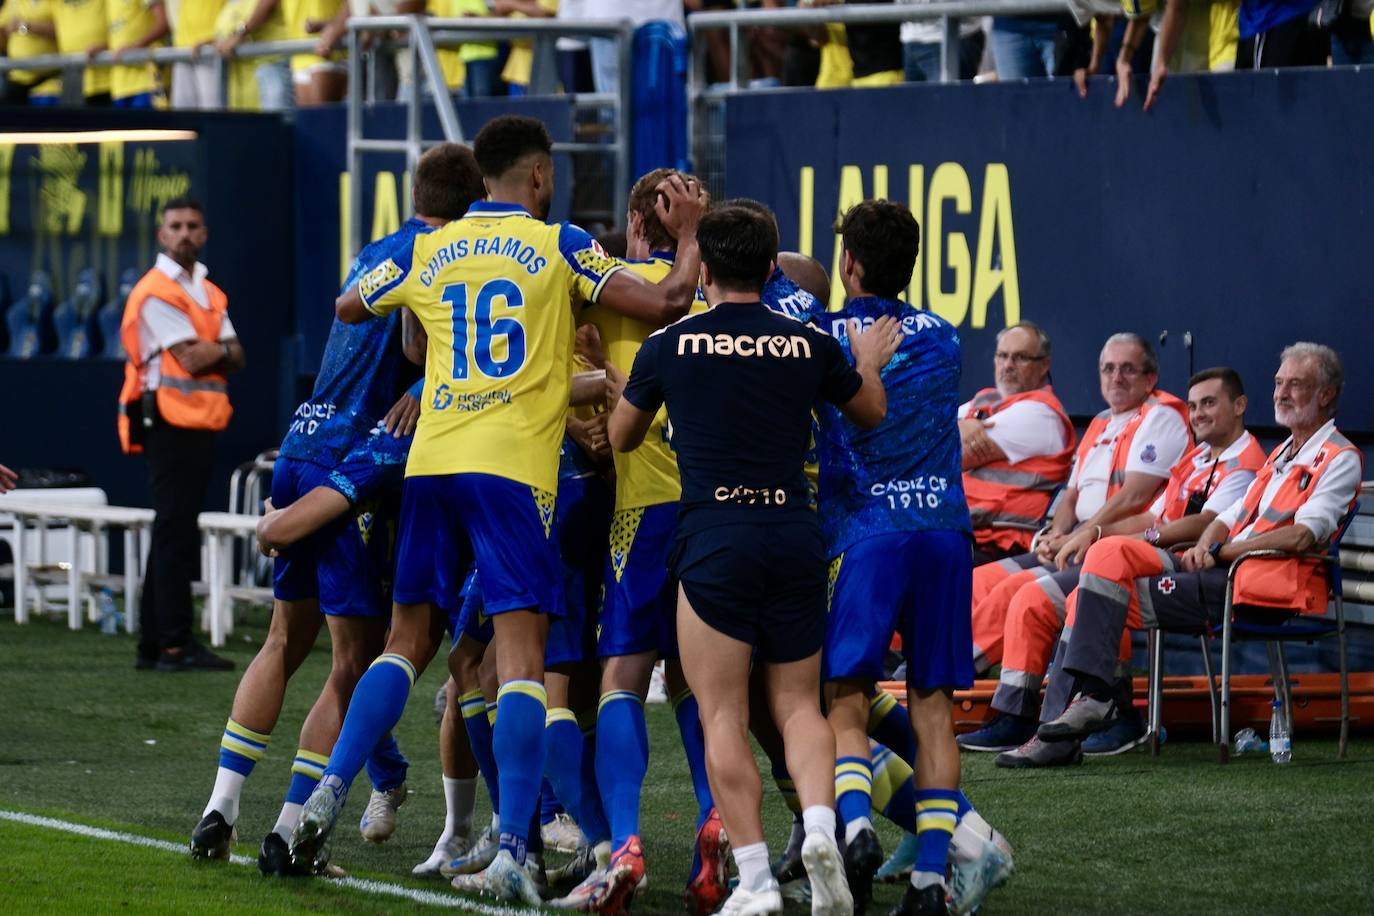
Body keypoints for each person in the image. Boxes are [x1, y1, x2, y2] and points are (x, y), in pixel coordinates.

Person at [289, 114, 707, 905]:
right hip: (512, 469)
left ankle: (324, 795)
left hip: (433, 461)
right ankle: (516, 843)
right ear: (541, 176)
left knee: (406, 643)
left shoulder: (429, 247)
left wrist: (425, 300)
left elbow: (350, 309)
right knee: (520, 662)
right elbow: (668, 304)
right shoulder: (560, 244)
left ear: (483, 177)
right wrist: (686, 233)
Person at [187, 145, 485, 872]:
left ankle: (218, 811)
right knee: (353, 660)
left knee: (283, 643)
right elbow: (422, 347)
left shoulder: (379, 248)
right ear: (473, 203)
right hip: (362, 455)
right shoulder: (449, 252)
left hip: (301, 439)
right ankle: (291, 832)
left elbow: (352, 316)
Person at [607, 202, 899, 916]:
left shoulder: (669, 345)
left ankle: (758, 877)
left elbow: (620, 436)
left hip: (715, 538)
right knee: (801, 706)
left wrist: (613, 384)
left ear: (703, 269)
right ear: (771, 269)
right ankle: (823, 827)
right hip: (794, 535)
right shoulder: (806, 342)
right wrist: (865, 361)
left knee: (723, 716)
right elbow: (870, 411)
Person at [1020, 343, 1362, 766]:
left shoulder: (1340, 457)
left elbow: (1304, 536)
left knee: (1098, 585)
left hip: (1251, 590)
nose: (1282, 392)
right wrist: (1208, 543)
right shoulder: (1282, 453)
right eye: (1279, 383)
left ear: (1326, 394)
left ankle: (1094, 705)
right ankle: (1066, 725)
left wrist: (1224, 549)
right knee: (1084, 598)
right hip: (1221, 572)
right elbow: (1231, 514)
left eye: (1296, 384)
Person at [550, 168, 726, 916]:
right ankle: (715, 818)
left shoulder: (607, 287)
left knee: (621, 674)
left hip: (644, 505)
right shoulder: (738, 290)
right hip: (724, 510)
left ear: (636, 220)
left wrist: (587, 382)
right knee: (699, 685)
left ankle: (621, 842)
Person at [812, 199, 992, 916]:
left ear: (849, 264)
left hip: (868, 530)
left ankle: (855, 822)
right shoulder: (945, 336)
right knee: (934, 710)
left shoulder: (825, 335)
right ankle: (931, 882)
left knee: (845, 698)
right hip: (946, 532)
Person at [968, 367, 1265, 762]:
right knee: (1035, 599)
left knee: (1106, 561)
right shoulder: (1194, 458)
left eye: (1209, 403)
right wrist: (1095, 532)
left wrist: (1116, 540)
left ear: (1240, 405)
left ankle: (1106, 702)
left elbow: (1204, 523)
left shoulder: (1247, 459)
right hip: (1146, 556)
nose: (1198, 414)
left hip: (1188, 565)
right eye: (1193, 405)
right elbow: (1150, 516)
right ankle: (1026, 718)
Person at [967, 333, 1189, 687]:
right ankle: (950, 669)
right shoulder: (1101, 421)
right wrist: (1056, 534)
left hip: (1120, 544)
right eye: (1109, 369)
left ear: (1150, 379)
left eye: (1128, 370)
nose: (1116, 377)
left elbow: (1134, 496)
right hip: (1077, 540)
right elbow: (1070, 495)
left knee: (1021, 589)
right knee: (980, 581)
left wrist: (1078, 535)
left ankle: (958, 670)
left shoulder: (1161, 416)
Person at [117, 197, 244, 672]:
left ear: (204, 234)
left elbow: (237, 354)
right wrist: (219, 349)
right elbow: (195, 357)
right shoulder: (155, 290)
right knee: (174, 530)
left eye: (193, 225)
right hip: (168, 419)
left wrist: (217, 350)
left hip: (199, 419)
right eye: (176, 226)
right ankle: (173, 643)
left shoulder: (206, 291)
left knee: (174, 529)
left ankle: (156, 644)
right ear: (161, 234)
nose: (185, 233)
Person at [958, 321, 1075, 566]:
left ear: (1044, 365)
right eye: (1002, 356)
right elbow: (925, 437)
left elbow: (945, 453)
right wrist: (960, 428)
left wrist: (956, 427)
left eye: (1020, 358)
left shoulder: (1042, 414)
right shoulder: (985, 398)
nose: (1008, 365)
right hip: (961, 532)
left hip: (1000, 542)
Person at [103, 0, 170, 108]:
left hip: (148, 80)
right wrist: (102, 46)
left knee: (153, 124)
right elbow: (118, 35)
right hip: (120, 86)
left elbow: (163, 23)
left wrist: (137, 45)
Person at [0, 0, 62, 106]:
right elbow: (3, 31)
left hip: (49, 77)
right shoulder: (12, 2)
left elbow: (62, 30)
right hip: (16, 78)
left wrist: (25, 26)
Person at [51, 0, 112, 105]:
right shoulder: (56, 3)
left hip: (108, 83)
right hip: (70, 83)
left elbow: (125, 28)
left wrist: (106, 46)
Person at [169, 0, 225, 108]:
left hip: (211, 51)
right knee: (183, 119)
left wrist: (217, 39)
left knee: (212, 114)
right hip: (182, 51)